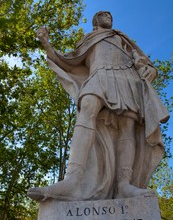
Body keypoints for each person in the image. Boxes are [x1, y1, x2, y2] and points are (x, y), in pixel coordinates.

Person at [28, 11, 169, 202]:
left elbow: (141, 61)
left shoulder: (121, 38)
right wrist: (46, 43)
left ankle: (123, 184)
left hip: (127, 79)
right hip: (99, 75)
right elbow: (67, 63)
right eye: (103, 14)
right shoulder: (89, 39)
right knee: (87, 107)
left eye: (110, 15)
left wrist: (148, 68)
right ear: (96, 21)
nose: (108, 16)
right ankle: (73, 179)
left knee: (127, 125)